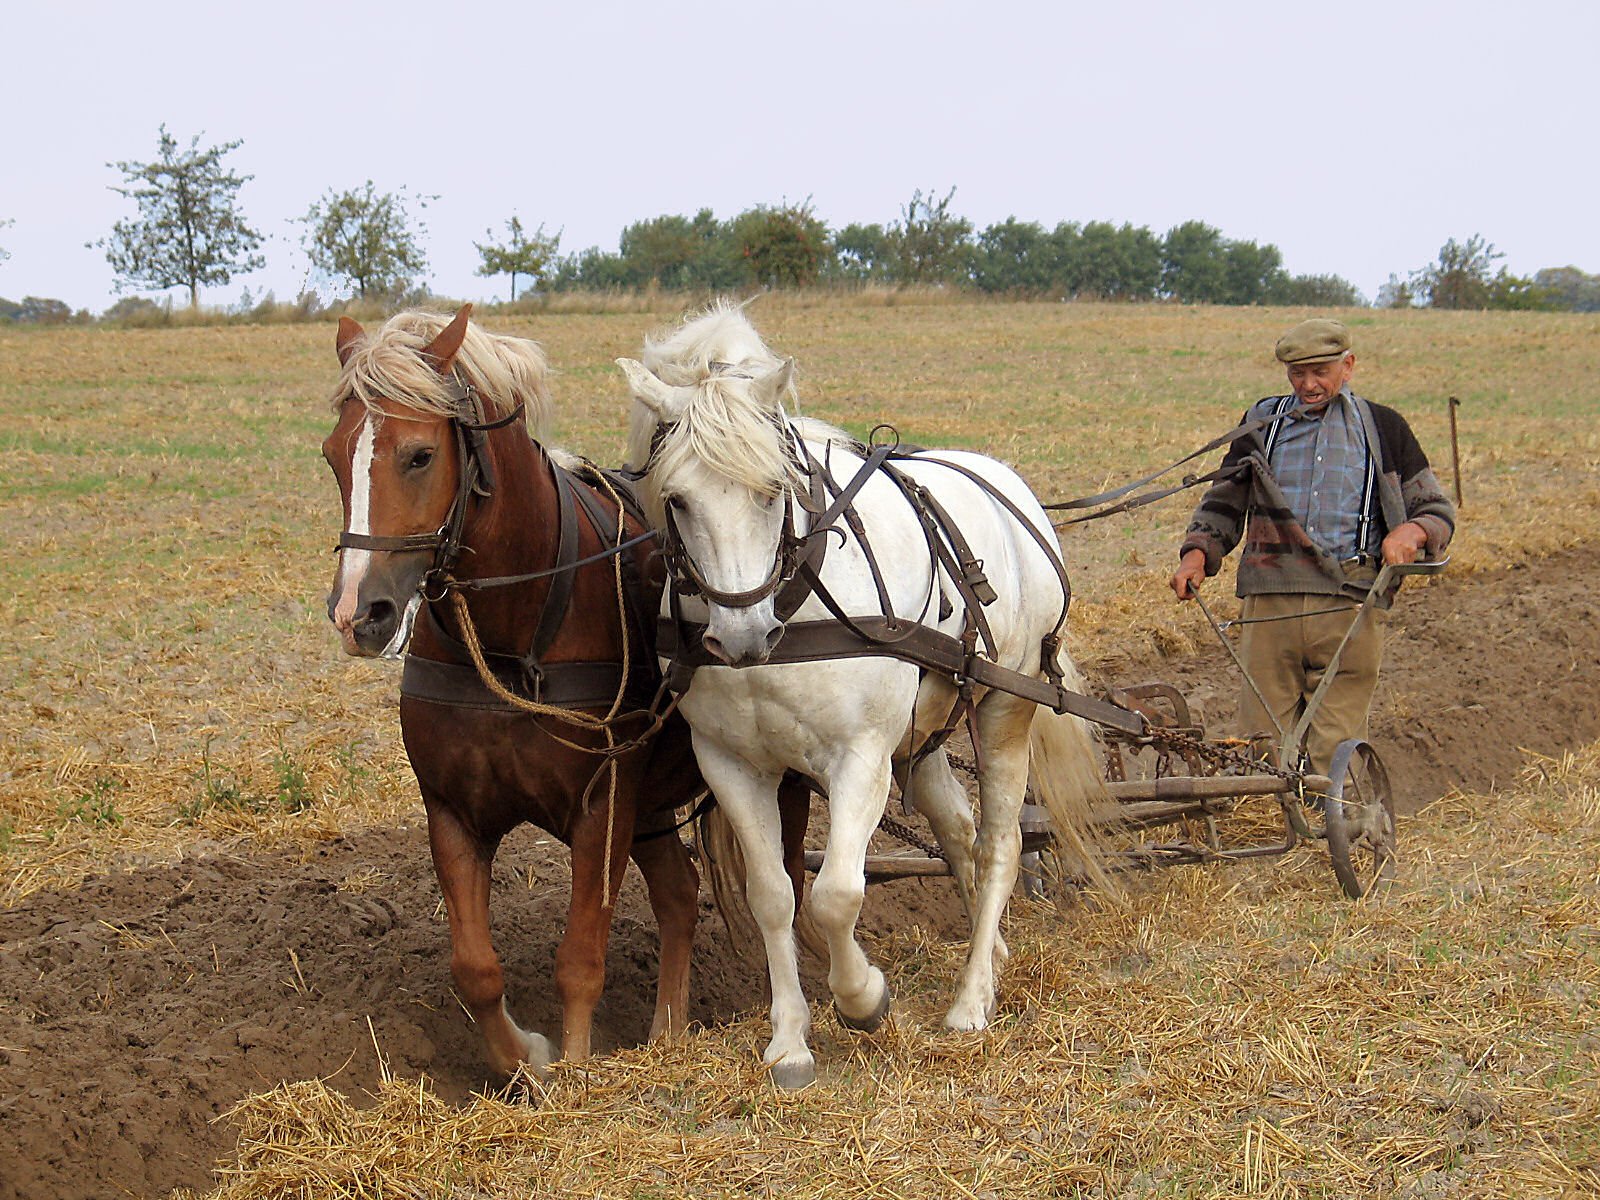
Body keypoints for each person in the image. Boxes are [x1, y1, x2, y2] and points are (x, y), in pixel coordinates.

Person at [1169, 318, 1455, 774]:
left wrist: (1411, 532)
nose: (1308, 384)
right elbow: (1224, 500)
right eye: (1297, 374)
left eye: (1320, 371)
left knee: (1337, 743)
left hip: (1351, 601)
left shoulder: (1383, 428)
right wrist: (1197, 554)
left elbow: (1436, 510)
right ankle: (1269, 827)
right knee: (1259, 741)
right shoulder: (1261, 424)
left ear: (1348, 366)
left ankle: (1333, 824)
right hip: (1271, 602)